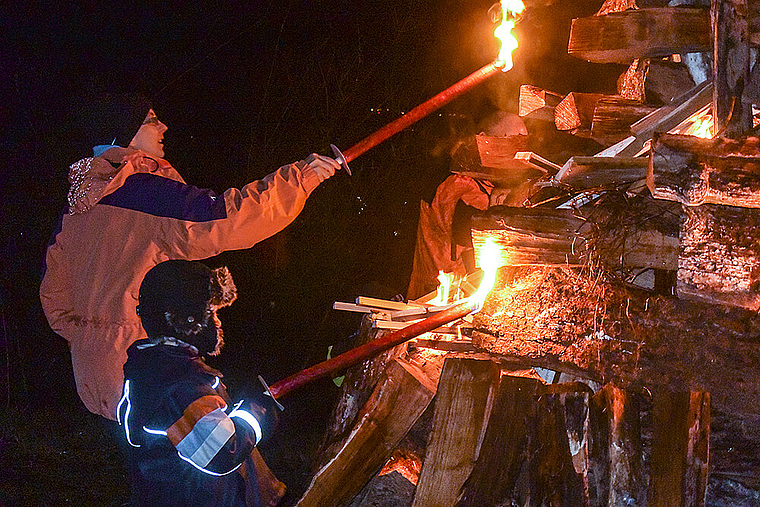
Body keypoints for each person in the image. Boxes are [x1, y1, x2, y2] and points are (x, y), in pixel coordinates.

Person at [39, 93, 342, 423]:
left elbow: (54, 296)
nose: (163, 127)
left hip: (91, 371)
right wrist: (301, 178)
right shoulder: (145, 192)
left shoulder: (79, 206)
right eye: (151, 120)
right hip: (150, 371)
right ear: (125, 133)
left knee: (137, 462)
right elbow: (227, 219)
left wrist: (90, 335)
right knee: (199, 464)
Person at [119, 259, 283, 506]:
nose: (217, 322)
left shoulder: (163, 369)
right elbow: (223, 452)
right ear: (188, 320)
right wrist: (257, 410)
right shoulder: (177, 385)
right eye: (211, 313)